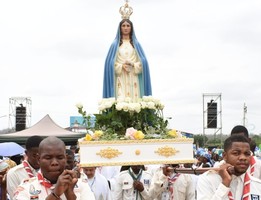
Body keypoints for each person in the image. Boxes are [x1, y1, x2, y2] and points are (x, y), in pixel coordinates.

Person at [13, 136, 95, 200]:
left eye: (60, 157)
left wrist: (70, 196)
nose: (54, 163)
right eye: (48, 158)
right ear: (38, 159)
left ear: (65, 159)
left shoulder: (82, 186)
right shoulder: (25, 187)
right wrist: (55, 193)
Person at [103, 2, 152, 101]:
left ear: (131, 28)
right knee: (121, 100)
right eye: (123, 26)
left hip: (134, 78)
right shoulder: (114, 45)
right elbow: (109, 64)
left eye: (128, 26)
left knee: (135, 101)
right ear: (120, 28)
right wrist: (121, 66)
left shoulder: (136, 45)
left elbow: (144, 63)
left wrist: (133, 64)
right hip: (120, 77)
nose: (125, 28)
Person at [197, 134, 261, 200]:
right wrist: (224, 184)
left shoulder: (258, 185)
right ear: (224, 156)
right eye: (236, 153)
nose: (243, 157)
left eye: (247, 154)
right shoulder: (207, 180)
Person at [6, 135, 43, 199]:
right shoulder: (14, 173)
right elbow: (14, 197)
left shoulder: (50, 172)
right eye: (34, 155)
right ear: (26, 153)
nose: (38, 159)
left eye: (41, 155)